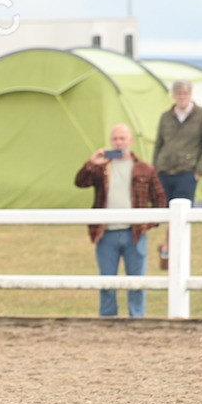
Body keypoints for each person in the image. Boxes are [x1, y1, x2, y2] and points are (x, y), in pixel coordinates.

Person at [74, 124, 166, 317]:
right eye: (115, 139)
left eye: (122, 138)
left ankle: (137, 318)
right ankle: (108, 319)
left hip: (135, 234)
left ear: (130, 140)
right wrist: (92, 162)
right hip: (106, 234)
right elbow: (80, 182)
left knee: (137, 282)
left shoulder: (145, 169)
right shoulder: (101, 168)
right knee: (107, 282)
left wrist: (146, 224)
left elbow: (160, 200)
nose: (118, 142)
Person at [153, 81, 202, 268]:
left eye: (184, 94)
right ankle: (169, 250)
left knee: (180, 215)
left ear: (190, 94)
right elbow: (159, 144)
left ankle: (168, 252)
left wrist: (198, 171)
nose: (181, 97)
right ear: (173, 95)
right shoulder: (166, 116)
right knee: (166, 215)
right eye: (178, 94)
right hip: (165, 172)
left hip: (187, 173)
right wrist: (155, 168)